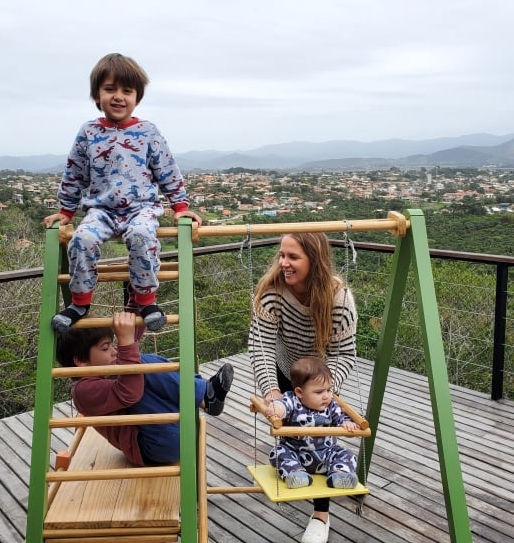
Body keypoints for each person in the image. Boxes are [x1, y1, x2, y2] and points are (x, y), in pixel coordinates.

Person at [43, 52, 201, 333]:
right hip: (100, 211)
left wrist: (180, 207)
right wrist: (66, 212)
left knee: (142, 236)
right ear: (96, 96)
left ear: (137, 97)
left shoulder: (147, 132)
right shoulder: (89, 132)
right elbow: (74, 173)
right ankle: (79, 303)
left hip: (141, 208)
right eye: (109, 89)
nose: (118, 96)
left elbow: (167, 170)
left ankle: (147, 301)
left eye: (126, 91)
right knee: (81, 239)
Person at [247, 232, 357, 543]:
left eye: (293, 257)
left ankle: (321, 514)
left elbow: (344, 353)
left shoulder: (339, 299)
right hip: (283, 368)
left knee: (320, 434)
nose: (283, 263)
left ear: (314, 260)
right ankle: (294, 472)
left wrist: (320, 389)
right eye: (282, 255)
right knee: (291, 432)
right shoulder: (272, 292)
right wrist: (271, 393)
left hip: (322, 372)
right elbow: (262, 346)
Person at [56, 311, 234, 466]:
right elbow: (130, 391)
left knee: (140, 363)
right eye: (105, 348)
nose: (114, 351)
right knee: (140, 364)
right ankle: (205, 395)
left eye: (112, 344)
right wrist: (125, 341)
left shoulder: (108, 372)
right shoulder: (83, 391)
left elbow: (132, 342)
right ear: (81, 361)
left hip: (174, 431)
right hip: (155, 446)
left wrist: (140, 297)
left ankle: (204, 396)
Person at [264, 357, 358, 491]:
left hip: (326, 453)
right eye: (319, 392)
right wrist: (276, 409)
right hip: (296, 453)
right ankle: (296, 474)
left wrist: (347, 424)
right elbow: (282, 405)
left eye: (328, 390)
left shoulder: (331, 404)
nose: (326, 396)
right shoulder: (292, 400)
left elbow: (340, 417)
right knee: (277, 453)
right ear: (300, 392)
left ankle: (339, 475)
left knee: (347, 454)